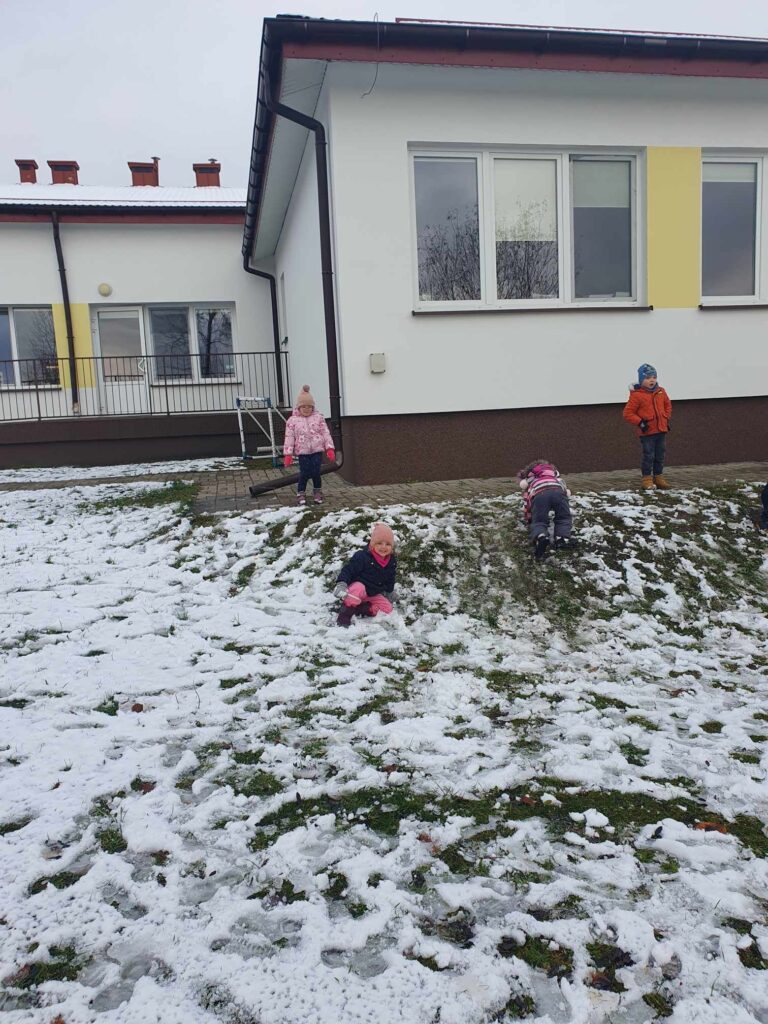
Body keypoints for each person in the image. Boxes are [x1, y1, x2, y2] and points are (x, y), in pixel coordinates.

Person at [334, 522, 397, 627]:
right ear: (372, 543)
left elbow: (391, 577)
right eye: (379, 543)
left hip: (372, 593)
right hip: (357, 591)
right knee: (357, 588)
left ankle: (359, 608)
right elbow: (349, 570)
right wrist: (342, 583)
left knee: (387, 608)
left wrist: (389, 592)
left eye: (388, 544)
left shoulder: (391, 561)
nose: (383, 547)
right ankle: (344, 615)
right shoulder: (362, 556)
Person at [282, 384, 335, 505]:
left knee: (316, 472)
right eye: (303, 406)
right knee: (305, 472)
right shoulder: (292, 421)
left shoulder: (318, 418)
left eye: (309, 406)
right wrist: (288, 454)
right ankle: (301, 492)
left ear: (313, 407)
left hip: (316, 450)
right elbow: (289, 437)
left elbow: (325, 433)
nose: (306, 409)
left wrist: (330, 448)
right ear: (298, 407)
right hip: (303, 452)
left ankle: (317, 491)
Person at [622, 363, 672, 490]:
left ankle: (658, 477)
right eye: (648, 378)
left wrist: (665, 417)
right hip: (647, 432)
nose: (652, 380)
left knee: (660, 455)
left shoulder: (661, 391)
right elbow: (628, 413)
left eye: (654, 377)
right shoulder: (637, 395)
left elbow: (668, 405)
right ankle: (647, 479)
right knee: (648, 455)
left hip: (661, 429)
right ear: (641, 379)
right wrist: (640, 422)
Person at [517, 459, 574, 561]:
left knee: (539, 520)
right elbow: (565, 490)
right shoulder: (555, 477)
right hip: (559, 492)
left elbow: (528, 501)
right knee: (563, 517)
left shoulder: (531, 480)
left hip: (540, 494)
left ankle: (541, 537)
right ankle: (561, 539)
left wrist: (529, 516)